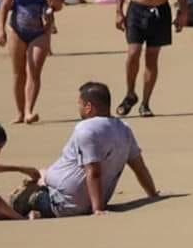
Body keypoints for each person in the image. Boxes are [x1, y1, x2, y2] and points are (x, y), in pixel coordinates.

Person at [9, 82, 160, 218]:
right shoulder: (124, 128)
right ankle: (39, 204)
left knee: (28, 188)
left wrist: (97, 210)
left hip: (64, 203)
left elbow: (93, 171)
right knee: (42, 174)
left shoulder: (86, 128)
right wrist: (152, 194)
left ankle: (37, 206)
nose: (78, 108)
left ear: (88, 107)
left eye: (79, 104)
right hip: (84, 199)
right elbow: (139, 167)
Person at [0, 0, 63, 124]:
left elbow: (58, 6)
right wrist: (0, 30)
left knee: (34, 71)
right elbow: (4, 6)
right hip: (17, 30)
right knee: (18, 74)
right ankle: (19, 112)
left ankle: (29, 111)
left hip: (40, 31)